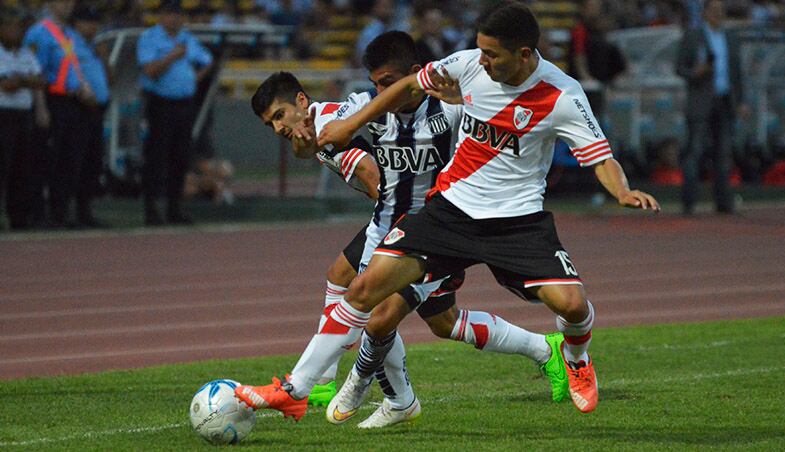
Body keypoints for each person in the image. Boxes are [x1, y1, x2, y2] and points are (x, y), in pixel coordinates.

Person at [236, 0, 662, 420]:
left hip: (516, 220)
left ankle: (574, 355)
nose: (483, 61)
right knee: (366, 295)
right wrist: (346, 126)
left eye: (492, 54)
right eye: (480, 50)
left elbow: (601, 157)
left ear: (525, 54)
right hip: (449, 211)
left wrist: (622, 192)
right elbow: (400, 91)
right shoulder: (465, 65)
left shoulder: (562, 96)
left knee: (571, 306)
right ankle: (302, 389)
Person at [137, 0, 213, 225]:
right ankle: (151, 209)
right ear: (161, 16)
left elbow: (207, 61)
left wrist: (192, 79)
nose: (175, 19)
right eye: (171, 15)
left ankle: (174, 208)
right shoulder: (150, 38)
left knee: (179, 158)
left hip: (184, 104)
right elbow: (149, 71)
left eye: (179, 15)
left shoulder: (186, 38)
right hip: (160, 103)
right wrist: (172, 56)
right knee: (156, 157)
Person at [23, 0, 94, 228]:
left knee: (68, 159)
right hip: (52, 99)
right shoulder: (39, 33)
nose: (68, 6)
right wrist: (41, 107)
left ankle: (60, 212)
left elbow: (72, 65)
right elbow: (36, 71)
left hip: (71, 101)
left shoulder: (68, 34)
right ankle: (38, 213)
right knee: (46, 160)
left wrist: (83, 86)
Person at [675, 0, 746, 215]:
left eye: (721, 11)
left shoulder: (731, 39)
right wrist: (695, 72)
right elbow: (679, 67)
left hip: (724, 100)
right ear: (704, 13)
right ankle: (689, 202)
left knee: (723, 152)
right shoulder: (693, 36)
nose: (718, 14)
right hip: (700, 100)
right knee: (694, 151)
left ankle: (723, 202)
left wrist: (741, 101)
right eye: (714, 11)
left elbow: (737, 73)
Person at [0, 9, 46, 230]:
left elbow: (41, 81)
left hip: (23, 115)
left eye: (18, 27)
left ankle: (19, 217)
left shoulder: (27, 54)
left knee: (22, 168)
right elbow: (7, 86)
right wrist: (26, 80)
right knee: (3, 167)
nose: (15, 31)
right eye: (10, 26)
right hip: (3, 116)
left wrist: (21, 80)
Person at [72, 5, 109, 228]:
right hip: (78, 107)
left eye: (95, 22)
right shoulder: (70, 44)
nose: (93, 26)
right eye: (88, 21)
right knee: (75, 160)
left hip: (98, 110)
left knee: (92, 162)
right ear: (77, 23)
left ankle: (85, 211)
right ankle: (69, 211)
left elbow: (110, 78)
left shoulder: (96, 46)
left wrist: (104, 58)